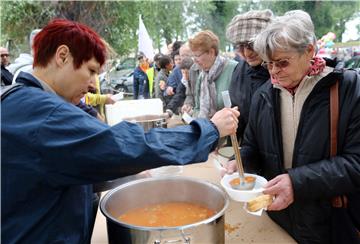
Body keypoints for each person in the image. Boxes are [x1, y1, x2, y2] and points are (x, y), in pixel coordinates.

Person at [1, 19, 240, 243]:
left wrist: (125, 175)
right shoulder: (44, 115)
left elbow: (63, 167)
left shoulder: (22, 102)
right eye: (91, 71)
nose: (94, 84)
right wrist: (210, 129)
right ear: (62, 56)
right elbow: (127, 144)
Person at [225, 13, 360, 243]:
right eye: (268, 64)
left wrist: (297, 183)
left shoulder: (348, 88)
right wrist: (240, 163)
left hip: (330, 224)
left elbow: (356, 163)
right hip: (279, 218)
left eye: (282, 62)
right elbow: (252, 147)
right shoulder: (264, 94)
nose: (273, 72)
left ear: (309, 51)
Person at [225, 9, 273, 141]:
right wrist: (231, 148)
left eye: (252, 45)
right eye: (240, 46)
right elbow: (236, 115)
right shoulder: (239, 70)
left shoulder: (281, 72)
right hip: (247, 151)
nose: (247, 53)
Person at [187, 30, 238, 119]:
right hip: (207, 129)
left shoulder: (234, 69)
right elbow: (197, 107)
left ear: (211, 52)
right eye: (193, 56)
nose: (194, 60)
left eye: (197, 55)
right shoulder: (202, 76)